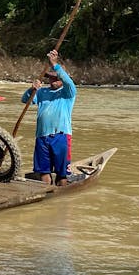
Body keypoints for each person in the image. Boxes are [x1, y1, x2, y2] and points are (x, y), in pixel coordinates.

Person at [21, 49, 83, 185]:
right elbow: (25, 100)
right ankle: (46, 194)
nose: (53, 80)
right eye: (51, 77)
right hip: (42, 137)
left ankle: (61, 199)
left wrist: (54, 64)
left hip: (60, 136)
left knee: (62, 174)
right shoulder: (42, 92)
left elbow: (69, 82)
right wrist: (32, 89)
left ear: (61, 78)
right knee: (44, 171)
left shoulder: (68, 93)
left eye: (56, 77)